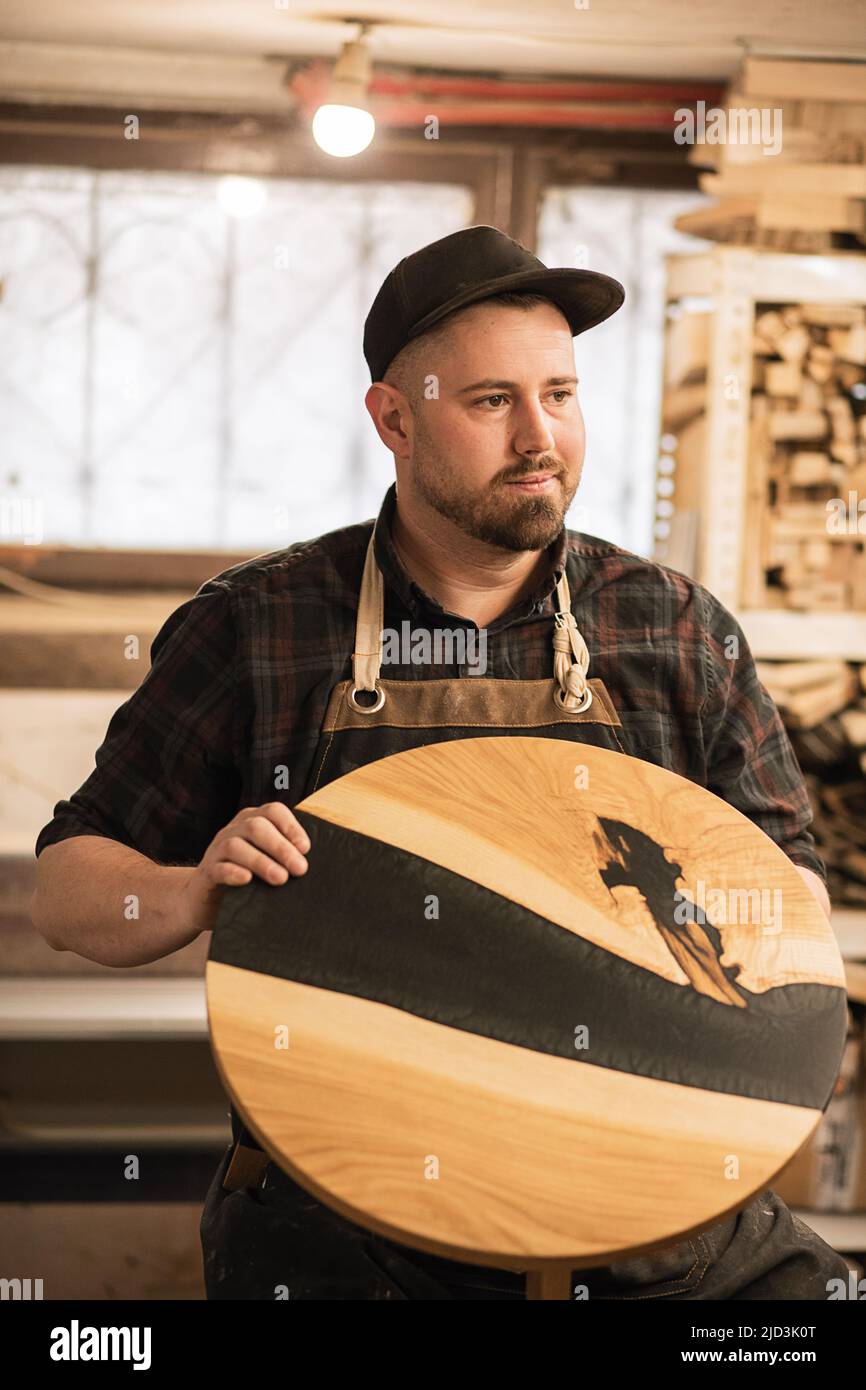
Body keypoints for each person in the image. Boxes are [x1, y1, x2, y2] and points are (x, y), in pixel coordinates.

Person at [31, 225, 848, 1300]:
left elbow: (790, 896)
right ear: (393, 419)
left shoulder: (673, 630)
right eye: (490, 401)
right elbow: (67, 889)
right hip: (351, 1236)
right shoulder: (258, 626)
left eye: (559, 394)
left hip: (643, 1214)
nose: (538, 436)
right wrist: (188, 889)